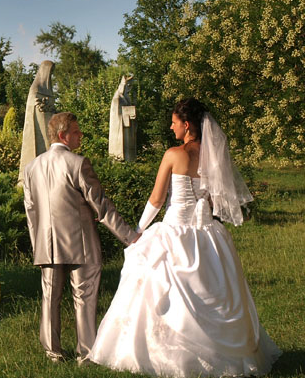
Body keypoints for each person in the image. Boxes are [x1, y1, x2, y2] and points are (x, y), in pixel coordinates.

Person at [87, 98, 281, 377]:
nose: (171, 126)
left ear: (186, 125)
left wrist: (138, 232)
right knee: (215, 290)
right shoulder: (213, 155)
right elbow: (215, 200)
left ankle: (167, 355)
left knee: (161, 292)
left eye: (174, 122)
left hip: (175, 231)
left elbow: (156, 199)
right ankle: (223, 354)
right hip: (208, 233)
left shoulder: (173, 154)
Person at [23, 112, 141, 363]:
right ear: (63, 136)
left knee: (49, 297)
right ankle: (86, 353)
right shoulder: (78, 163)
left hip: (47, 244)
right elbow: (101, 206)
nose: (80, 136)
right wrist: (130, 236)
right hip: (81, 242)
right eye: (76, 132)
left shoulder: (31, 167)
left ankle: (53, 353)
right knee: (85, 297)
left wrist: (37, 246)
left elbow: (31, 211)